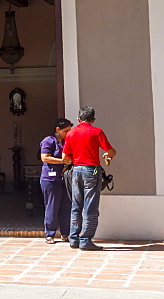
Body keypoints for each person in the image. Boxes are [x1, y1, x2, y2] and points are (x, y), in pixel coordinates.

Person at [62, 106, 116, 251]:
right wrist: (108, 156)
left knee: (76, 205)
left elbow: (65, 157)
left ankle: (74, 238)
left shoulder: (71, 133)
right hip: (91, 170)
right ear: (93, 120)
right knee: (90, 207)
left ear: (79, 119)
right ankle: (86, 240)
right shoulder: (97, 132)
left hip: (76, 170)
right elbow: (111, 151)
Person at [39, 118, 72, 244]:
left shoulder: (65, 142)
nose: (68, 133)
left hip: (64, 178)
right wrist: (62, 161)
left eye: (69, 131)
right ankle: (50, 234)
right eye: (65, 131)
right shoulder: (48, 141)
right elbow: (45, 158)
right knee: (52, 205)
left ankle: (65, 233)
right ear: (57, 129)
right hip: (50, 179)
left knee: (66, 206)